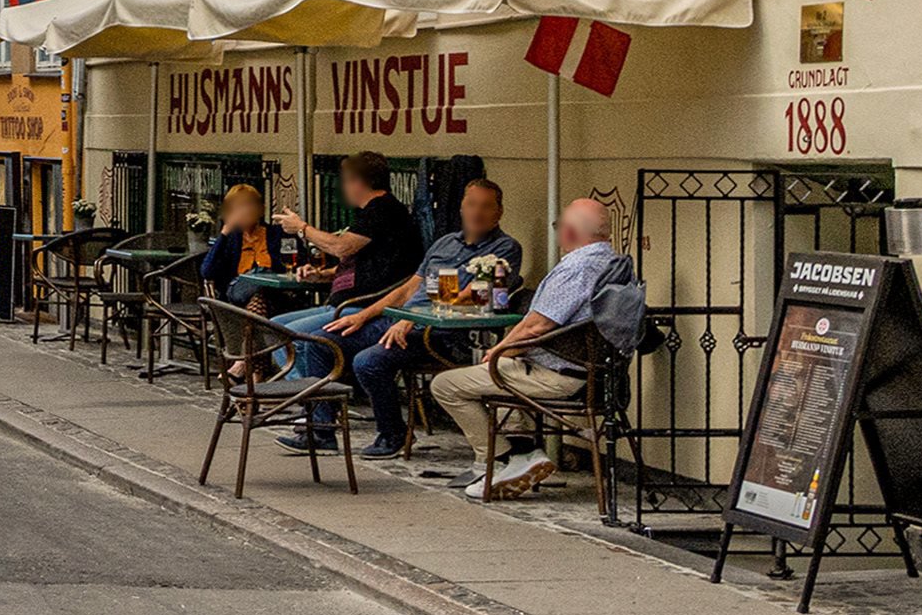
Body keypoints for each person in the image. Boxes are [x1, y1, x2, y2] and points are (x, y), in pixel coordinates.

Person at [431, 199, 642, 500]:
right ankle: (521, 450)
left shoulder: (575, 267)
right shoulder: (616, 263)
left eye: (559, 227)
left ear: (569, 232)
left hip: (560, 376)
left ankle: (509, 459)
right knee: (503, 372)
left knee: (447, 385)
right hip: (600, 375)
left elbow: (537, 326)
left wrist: (501, 350)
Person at [343, 177, 524, 458]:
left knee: (368, 362)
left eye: (486, 206)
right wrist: (363, 316)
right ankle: (319, 430)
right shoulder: (444, 243)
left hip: (442, 334)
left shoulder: (504, 248)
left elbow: (472, 295)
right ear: (461, 208)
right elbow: (409, 287)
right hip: (401, 321)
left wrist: (411, 320)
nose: (477, 212)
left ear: (499, 212)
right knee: (320, 339)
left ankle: (393, 435)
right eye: (472, 204)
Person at [267, 151, 425, 453]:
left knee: (303, 338)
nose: (343, 188)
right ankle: (318, 404)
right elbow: (361, 265)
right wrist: (320, 275)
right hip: (346, 302)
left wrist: (302, 228)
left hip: (365, 309)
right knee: (274, 329)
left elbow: (342, 247)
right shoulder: (370, 214)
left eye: (345, 180)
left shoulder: (383, 210)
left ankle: (320, 416)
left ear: (357, 181)